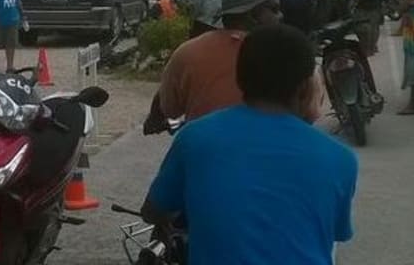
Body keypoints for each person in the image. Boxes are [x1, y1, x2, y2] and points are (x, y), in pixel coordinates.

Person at [142, 24, 357, 265]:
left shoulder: (195, 137)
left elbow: (153, 211)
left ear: (240, 79)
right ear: (306, 87)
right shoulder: (340, 158)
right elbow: (336, 231)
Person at [151, 0, 284, 130]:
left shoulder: (188, 52)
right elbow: (304, 113)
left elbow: (169, 109)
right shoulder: (283, 55)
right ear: (254, 16)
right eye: (274, 10)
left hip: (203, 141)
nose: (281, 16)